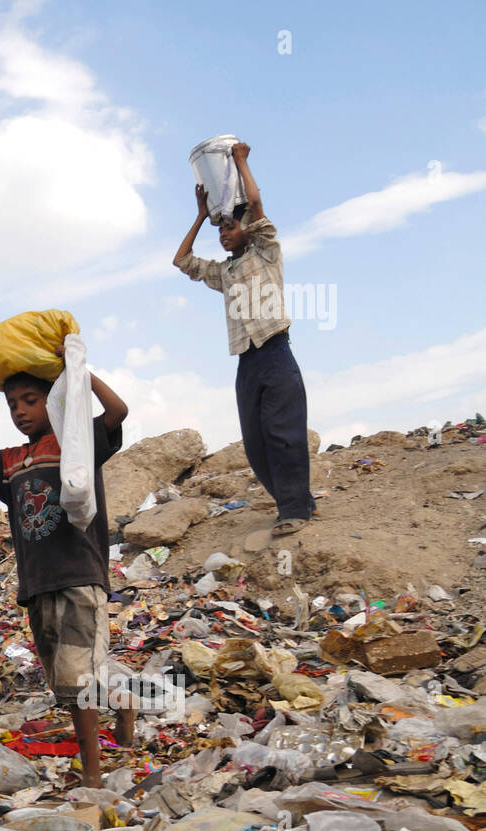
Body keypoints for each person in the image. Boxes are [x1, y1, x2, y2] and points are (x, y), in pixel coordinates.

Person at [0, 348, 135, 788]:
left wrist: (78, 372)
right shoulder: (10, 462)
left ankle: (92, 776)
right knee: (67, 685)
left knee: (80, 679)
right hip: (37, 584)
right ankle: (125, 703)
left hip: (79, 575)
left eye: (30, 400)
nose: (19, 412)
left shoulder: (77, 444)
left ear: (53, 401)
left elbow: (118, 410)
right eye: (13, 404)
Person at [173, 142, 315, 536]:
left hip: (276, 353)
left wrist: (240, 161)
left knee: (282, 433)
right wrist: (202, 216)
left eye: (229, 227)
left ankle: (294, 510)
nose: (224, 235)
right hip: (246, 362)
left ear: (247, 228)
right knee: (255, 444)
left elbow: (254, 202)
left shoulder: (266, 253)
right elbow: (181, 261)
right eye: (221, 230)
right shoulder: (226, 273)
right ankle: (297, 500)